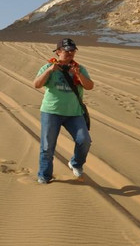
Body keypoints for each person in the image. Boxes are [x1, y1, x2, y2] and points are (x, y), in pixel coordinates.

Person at [33, 38, 94, 184]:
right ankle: (44, 175)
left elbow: (90, 86)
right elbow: (36, 84)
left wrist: (78, 74)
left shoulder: (80, 69)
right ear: (58, 52)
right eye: (67, 51)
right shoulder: (48, 67)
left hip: (74, 113)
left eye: (72, 51)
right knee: (47, 146)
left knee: (84, 141)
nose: (70, 53)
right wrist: (49, 70)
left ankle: (76, 163)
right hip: (51, 112)